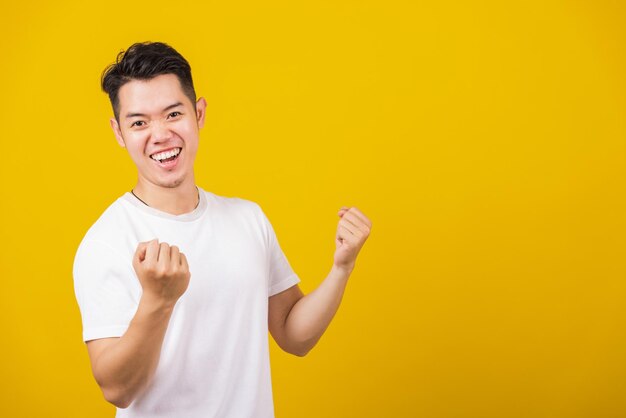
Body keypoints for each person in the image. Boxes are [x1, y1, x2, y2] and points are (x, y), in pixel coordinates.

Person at [73, 41, 372, 418]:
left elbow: (293, 335)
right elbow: (117, 389)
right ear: (119, 133)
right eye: (139, 122)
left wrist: (342, 267)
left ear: (198, 114)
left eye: (173, 113)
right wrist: (158, 299)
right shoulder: (106, 241)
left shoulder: (247, 219)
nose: (160, 133)